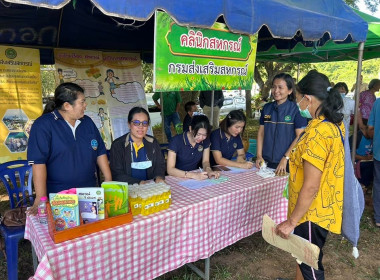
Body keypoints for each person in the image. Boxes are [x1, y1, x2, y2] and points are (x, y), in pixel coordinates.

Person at [275, 70, 345, 280]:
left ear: (307, 99)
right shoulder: (330, 124)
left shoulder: (318, 134)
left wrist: (292, 221)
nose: (298, 105)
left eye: (298, 99)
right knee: (301, 256)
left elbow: (311, 185)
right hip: (321, 207)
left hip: (311, 213)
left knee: (310, 266)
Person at [27, 83, 112, 214]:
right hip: (60, 197)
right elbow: (38, 163)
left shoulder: (87, 122)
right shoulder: (43, 125)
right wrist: (41, 198)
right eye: (82, 102)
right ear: (67, 106)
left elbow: (100, 151)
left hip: (89, 193)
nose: (85, 105)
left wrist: (108, 180)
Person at [255, 73, 307, 174]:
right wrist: (259, 156)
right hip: (265, 161)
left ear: (290, 90)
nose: (276, 91)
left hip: (285, 163)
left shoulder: (296, 110)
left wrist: (285, 158)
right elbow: (261, 133)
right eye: (274, 87)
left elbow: (299, 137)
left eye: (280, 87)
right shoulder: (267, 108)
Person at [109, 107, 166, 185]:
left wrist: (158, 177)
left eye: (144, 123)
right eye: (136, 122)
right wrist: (139, 183)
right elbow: (117, 174)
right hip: (128, 189)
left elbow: (159, 165)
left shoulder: (153, 142)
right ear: (129, 124)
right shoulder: (118, 145)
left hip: (150, 188)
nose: (141, 126)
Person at [167, 115, 219, 180]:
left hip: (195, 175)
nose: (201, 138)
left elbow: (205, 162)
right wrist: (193, 175)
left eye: (204, 135)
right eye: (198, 134)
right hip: (177, 177)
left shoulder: (205, 141)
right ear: (190, 128)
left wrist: (209, 171)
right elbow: (170, 169)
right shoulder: (176, 141)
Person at [368, 98, 380, 227]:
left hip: (379, 151)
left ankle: (378, 218)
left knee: (378, 184)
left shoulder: (377, 103)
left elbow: (370, 128)